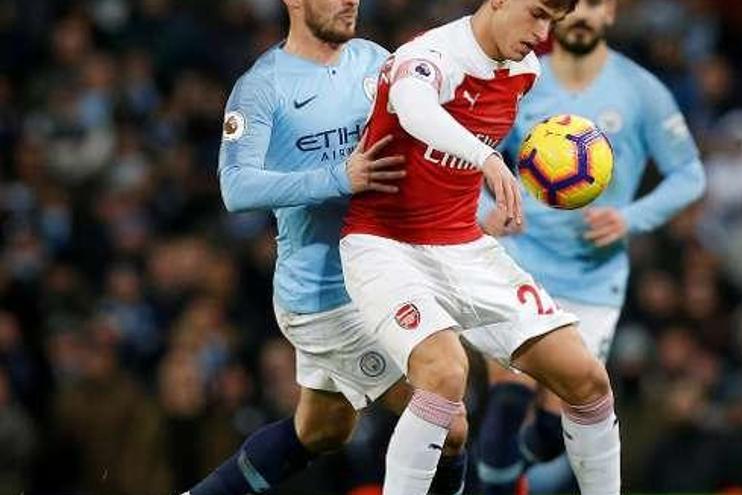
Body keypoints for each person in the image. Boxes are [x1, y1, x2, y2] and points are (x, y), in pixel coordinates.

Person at [181, 1, 468, 494]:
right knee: (448, 422)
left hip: (378, 276)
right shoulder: (262, 86)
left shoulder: (374, 60)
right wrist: (339, 177)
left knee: (322, 429)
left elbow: (415, 148)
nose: (349, 0)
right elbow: (236, 187)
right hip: (325, 294)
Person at [339, 1, 621, 494]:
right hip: (383, 245)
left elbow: (443, 167)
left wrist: (484, 208)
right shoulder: (430, 55)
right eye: (535, 13)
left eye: (550, 22)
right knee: (446, 373)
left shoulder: (523, 70)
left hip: (465, 247)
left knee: (588, 381)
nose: (542, 32)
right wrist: (486, 158)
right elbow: (414, 108)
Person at [471, 1, 706, 493]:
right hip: (522, 262)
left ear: (611, 14)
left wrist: (630, 218)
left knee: (560, 426)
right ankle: (496, 480)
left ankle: (505, 473)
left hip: (594, 280)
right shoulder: (522, 77)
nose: (581, 14)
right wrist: (483, 212)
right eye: (571, 5)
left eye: (593, 4)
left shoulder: (641, 90)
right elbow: (470, 150)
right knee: (507, 400)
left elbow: (690, 174)